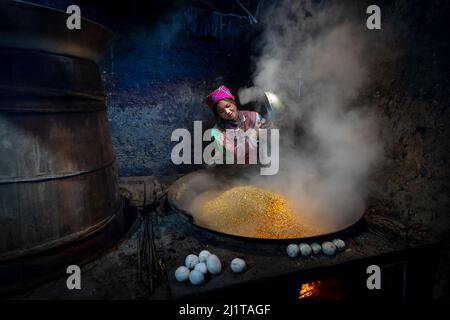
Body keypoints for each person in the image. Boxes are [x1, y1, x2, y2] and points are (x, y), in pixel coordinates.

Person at [206, 85, 270, 164]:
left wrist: (269, 127)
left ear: (233, 102)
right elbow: (234, 155)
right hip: (235, 168)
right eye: (221, 111)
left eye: (228, 106)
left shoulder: (253, 116)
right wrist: (254, 136)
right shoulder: (217, 131)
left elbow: (268, 137)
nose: (227, 111)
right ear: (218, 115)